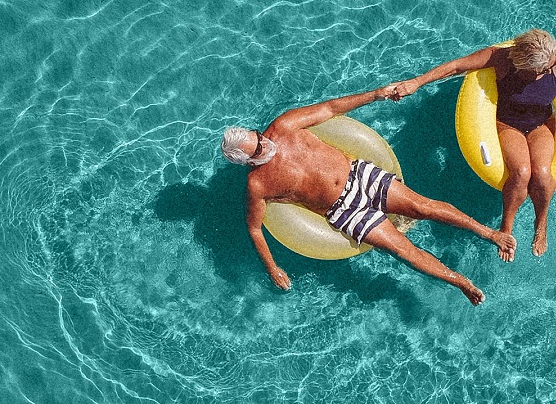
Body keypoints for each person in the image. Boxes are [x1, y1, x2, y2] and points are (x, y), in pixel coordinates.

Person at [221, 86, 516, 305]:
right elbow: (254, 228)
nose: (265, 144)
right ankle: (460, 282)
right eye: (258, 149)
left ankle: (489, 233)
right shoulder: (258, 185)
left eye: (258, 136)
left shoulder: (283, 126)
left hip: (359, 174)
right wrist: (273, 268)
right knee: (402, 250)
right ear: (246, 161)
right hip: (344, 211)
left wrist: (376, 94)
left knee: (421, 206)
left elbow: (331, 108)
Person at [384, 29, 556, 257]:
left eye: (549, 64)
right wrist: (416, 82)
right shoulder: (501, 59)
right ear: (521, 64)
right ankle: (507, 225)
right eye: (540, 69)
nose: (549, 68)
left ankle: (540, 223)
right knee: (521, 173)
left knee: (542, 174)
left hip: (541, 124)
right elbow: (456, 66)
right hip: (508, 125)